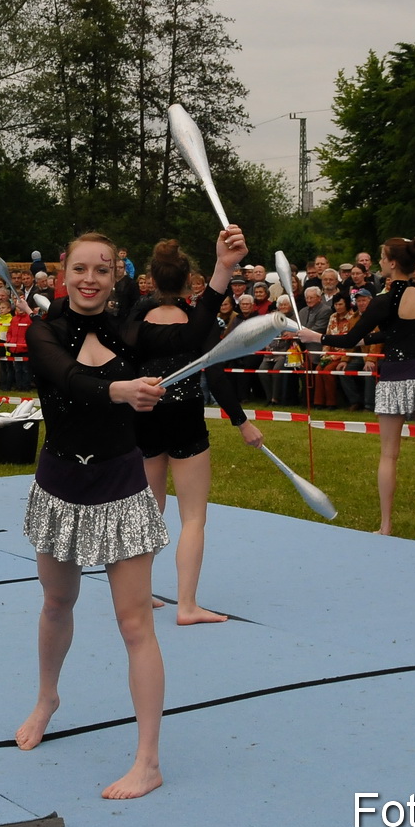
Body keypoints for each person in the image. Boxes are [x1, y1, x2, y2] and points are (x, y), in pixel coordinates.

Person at [14, 225, 246, 801]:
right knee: (56, 602)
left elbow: (194, 336)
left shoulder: (131, 329)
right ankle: (47, 698)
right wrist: (120, 390)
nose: (90, 279)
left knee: (136, 624)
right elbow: (67, 378)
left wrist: (219, 272)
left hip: (121, 488)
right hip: (61, 487)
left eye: (102, 269)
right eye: (79, 269)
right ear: (62, 275)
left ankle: (148, 760)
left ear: (117, 274)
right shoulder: (44, 332)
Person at [132, 240, 263, 625]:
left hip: (145, 417)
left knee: (149, 510)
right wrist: (242, 421)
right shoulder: (197, 321)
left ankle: (139, 595)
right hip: (185, 419)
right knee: (193, 517)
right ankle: (187, 605)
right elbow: (217, 374)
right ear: (189, 281)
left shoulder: (135, 322)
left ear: (151, 280)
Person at [298, 237, 415, 542]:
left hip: (397, 375)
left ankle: (386, 525)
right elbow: (398, 331)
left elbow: (350, 337)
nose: (380, 262)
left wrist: (313, 335)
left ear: (392, 263)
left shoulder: (383, 300)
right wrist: (364, 339)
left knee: (388, 455)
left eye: (382, 257)